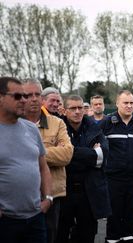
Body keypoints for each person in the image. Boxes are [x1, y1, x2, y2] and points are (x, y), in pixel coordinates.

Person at [0, 76, 52, 243]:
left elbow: (43, 167)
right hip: (5, 221)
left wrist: (48, 198)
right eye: (17, 96)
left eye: (25, 96)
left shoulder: (31, 129)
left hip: (35, 218)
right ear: (1, 97)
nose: (24, 100)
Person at [23, 79, 74, 243]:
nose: (33, 98)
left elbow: (67, 154)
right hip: (19, 197)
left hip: (51, 197)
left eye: (37, 94)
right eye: (28, 95)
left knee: (48, 238)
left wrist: (31, 154)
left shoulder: (57, 123)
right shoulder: (11, 123)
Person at [55, 95, 111, 243]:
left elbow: (101, 158)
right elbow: (59, 158)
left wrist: (70, 152)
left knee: (87, 233)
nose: (77, 111)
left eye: (80, 107)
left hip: (89, 192)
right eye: (73, 108)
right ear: (65, 111)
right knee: (60, 233)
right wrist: (91, 154)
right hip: (64, 191)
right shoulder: (58, 129)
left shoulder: (95, 128)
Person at [100, 90, 133, 243]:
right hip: (114, 178)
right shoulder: (107, 123)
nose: (129, 106)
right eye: (125, 103)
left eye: (131, 103)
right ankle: (112, 239)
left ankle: (128, 237)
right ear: (117, 104)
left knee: (132, 213)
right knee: (114, 213)